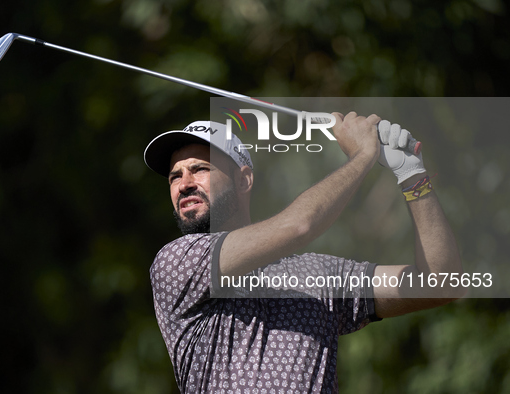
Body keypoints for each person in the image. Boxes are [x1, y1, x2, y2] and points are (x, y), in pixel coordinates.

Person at [143, 113, 465, 393]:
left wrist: (412, 176)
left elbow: (441, 283)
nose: (183, 183)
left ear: (244, 180)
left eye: (199, 169)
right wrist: (363, 154)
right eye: (174, 176)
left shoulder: (317, 274)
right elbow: (298, 226)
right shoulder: (178, 262)